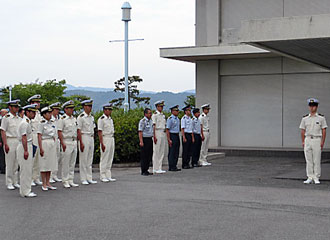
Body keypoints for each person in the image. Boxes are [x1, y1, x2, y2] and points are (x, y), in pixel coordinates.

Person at [300, 98, 327, 184]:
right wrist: (303, 141)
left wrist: (322, 142)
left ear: (317, 107)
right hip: (308, 139)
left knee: (316, 159)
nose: (312, 108)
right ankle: (309, 176)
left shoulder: (321, 118)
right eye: (311, 106)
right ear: (309, 107)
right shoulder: (305, 118)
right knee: (309, 160)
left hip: (316, 139)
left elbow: (324, 130)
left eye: (314, 106)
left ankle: (316, 177)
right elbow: (302, 130)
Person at [17, 104, 38, 198]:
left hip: (28, 145)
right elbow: (24, 137)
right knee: (25, 170)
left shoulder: (28, 122)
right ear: (27, 112)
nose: (34, 114)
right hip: (24, 146)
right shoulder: (24, 123)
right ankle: (25, 191)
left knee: (28, 169)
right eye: (32, 112)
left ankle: (26, 189)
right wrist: (26, 150)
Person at [57, 100, 79, 188]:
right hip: (67, 141)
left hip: (74, 141)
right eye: (70, 108)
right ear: (65, 109)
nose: (71, 110)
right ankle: (65, 180)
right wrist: (62, 143)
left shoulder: (74, 119)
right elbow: (59, 131)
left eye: (72, 108)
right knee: (66, 162)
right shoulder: (62, 119)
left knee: (72, 162)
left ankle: (71, 179)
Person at [1, 100, 21, 190]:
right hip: (10, 140)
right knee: (10, 162)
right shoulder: (6, 118)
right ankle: (9, 181)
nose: (17, 109)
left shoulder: (19, 118)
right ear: (10, 107)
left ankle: (15, 181)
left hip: (18, 140)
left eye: (17, 107)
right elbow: (3, 131)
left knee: (17, 162)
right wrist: (5, 143)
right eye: (15, 107)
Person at [77, 99, 97, 185]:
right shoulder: (81, 117)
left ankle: (89, 177)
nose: (90, 108)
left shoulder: (91, 117)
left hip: (91, 137)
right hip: (84, 136)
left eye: (91, 106)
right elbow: (78, 130)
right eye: (88, 106)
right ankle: (83, 178)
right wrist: (81, 142)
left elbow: (94, 128)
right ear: (84, 107)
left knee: (89, 159)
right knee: (83, 159)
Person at [37, 107, 57, 191]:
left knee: (50, 163)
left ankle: (48, 182)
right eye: (48, 113)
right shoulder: (41, 123)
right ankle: (44, 183)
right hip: (44, 142)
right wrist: (41, 148)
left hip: (51, 142)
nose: (50, 114)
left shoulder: (52, 123)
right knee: (44, 164)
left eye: (50, 113)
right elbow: (39, 135)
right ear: (44, 114)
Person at [97, 103, 116, 182]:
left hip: (111, 138)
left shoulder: (110, 119)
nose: (110, 111)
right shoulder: (101, 119)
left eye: (111, 110)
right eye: (109, 110)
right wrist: (102, 143)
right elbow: (100, 132)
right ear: (105, 110)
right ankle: (103, 175)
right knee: (104, 157)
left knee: (110, 157)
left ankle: (108, 174)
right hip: (105, 138)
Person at [28, 94, 43, 186]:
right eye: (36, 102)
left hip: (38, 136)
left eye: (38, 102)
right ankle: (29, 179)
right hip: (32, 136)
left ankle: (36, 177)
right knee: (31, 160)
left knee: (38, 159)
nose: (38, 104)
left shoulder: (39, 114)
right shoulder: (29, 114)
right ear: (31, 103)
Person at [152, 100, 166, 174]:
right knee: (156, 151)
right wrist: (154, 136)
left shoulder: (163, 115)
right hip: (157, 132)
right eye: (160, 106)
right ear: (157, 107)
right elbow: (153, 126)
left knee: (161, 151)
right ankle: (155, 168)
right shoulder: (155, 115)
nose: (161, 108)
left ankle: (159, 167)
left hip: (162, 132)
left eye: (162, 106)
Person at [49, 102, 62, 183]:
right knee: (51, 158)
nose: (57, 111)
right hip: (51, 139)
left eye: (58, 109)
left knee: (57, 157)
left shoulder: (59, 118)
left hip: (58, 140)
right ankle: (50, 176)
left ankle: (54, 175)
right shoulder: (50, 119)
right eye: (56, 109)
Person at [138, 108, 154, 176]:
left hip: (150, 139)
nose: (150, 114)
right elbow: (140, 131)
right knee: (144, 156)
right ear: (145, 114)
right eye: (149, 113)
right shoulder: (142, 121)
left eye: (151, 113)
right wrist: (141, 141)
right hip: (144, 139)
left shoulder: (151, 121)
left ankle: (147, 169)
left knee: (149, 155)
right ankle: (143, 170)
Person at [166, 105, 181, 172]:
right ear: (172, 111)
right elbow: (167, 129)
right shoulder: (170, 119)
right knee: (172, 151)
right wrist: (169, 139)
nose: (177, 112)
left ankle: (175, 165)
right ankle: (171, 166)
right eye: (176, 111)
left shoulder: (177, 119)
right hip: (172, 135)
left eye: (178, 111)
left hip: (177, 135)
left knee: (176, 151)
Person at [0, 109, 8, 174]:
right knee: (2, 155)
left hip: (8, 139)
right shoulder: (1, 120)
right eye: (5, 113)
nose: (6, 114)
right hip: (1, 140)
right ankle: (2, 168)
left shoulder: (8, 120)